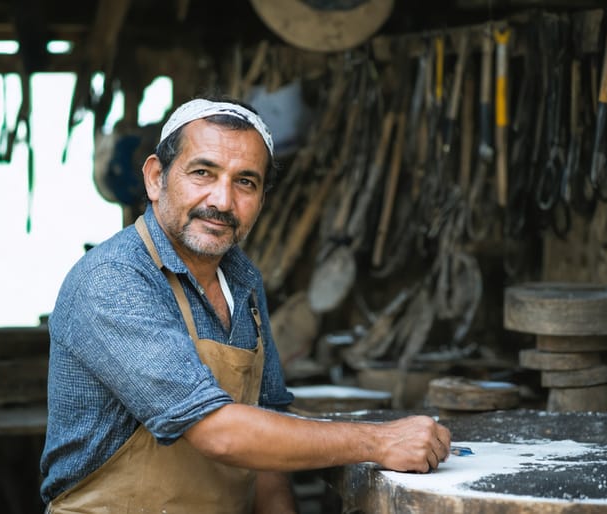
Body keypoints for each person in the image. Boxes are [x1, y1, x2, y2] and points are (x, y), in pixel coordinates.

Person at [40, 97, 451, 513]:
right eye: (203, 173)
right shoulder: (114, 278)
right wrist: (378, 441)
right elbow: (217, 431)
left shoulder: (242, 279)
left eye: (245, 182)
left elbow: (266, 441)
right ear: (155, 178)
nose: (221, 200)